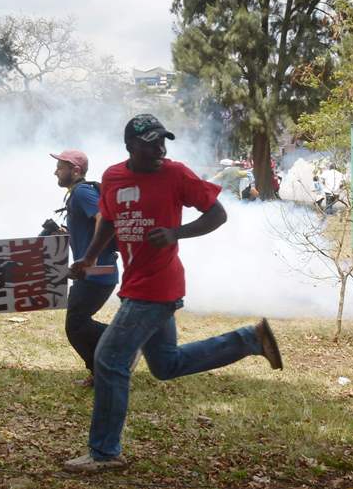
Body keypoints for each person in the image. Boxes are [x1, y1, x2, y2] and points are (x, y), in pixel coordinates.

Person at [64, 114, 283, 473]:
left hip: (157, 285)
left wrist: (176, 233)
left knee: (108, 360)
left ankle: (104, 453)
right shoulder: (113, 177)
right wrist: (88, 257)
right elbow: (109, 220)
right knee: (166, 365)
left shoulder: (176, 173)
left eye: (162, 142)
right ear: (131, 146)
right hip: (136, 283)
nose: (160, 149)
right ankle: (250, 339)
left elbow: (218, 215)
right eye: (151, 143)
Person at [51, 149, 119, 388]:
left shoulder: (82, 192)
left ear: (75, 170)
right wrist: (66, 235)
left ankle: (124, 342)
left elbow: (103, 219)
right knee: (78, 324)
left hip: (97, 273)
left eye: (60, 168)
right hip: (91, 273)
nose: (56, 172)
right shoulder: (76, 195)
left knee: (76, 325)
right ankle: (100, 372)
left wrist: (90, 258)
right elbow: (89, 229)